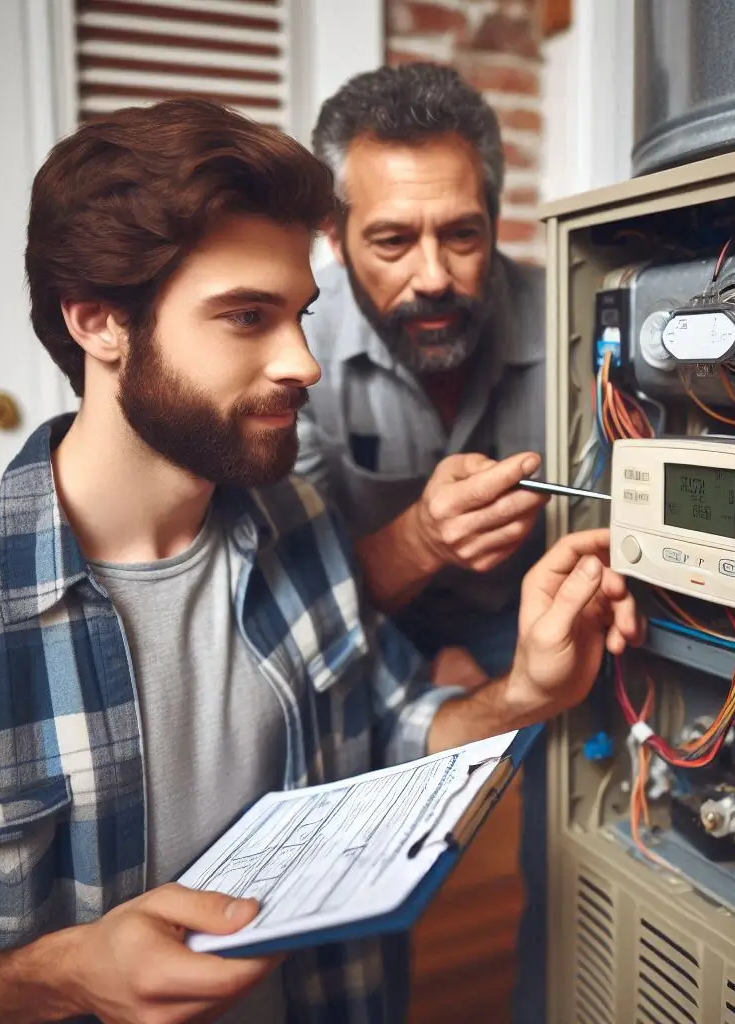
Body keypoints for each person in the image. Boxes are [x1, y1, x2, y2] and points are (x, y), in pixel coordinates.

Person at [0, 98, 642, 1024]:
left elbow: (399, 734)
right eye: (247, 317)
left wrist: (529, 691)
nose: (303, 360)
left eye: (300, 314)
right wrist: (60, 973)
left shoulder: (296, 519)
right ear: (98, 322)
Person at [298, 63, 552, 1022]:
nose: (434, 275)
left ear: (494, 220)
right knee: (369, 860)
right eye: (393, 241)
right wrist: (419, 543)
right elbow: (304, 598)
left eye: (462, 234)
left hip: (527, 617)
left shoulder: (565, 309)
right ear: (335, 237)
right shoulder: (295, 346)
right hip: (369, 627)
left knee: (572, 836)